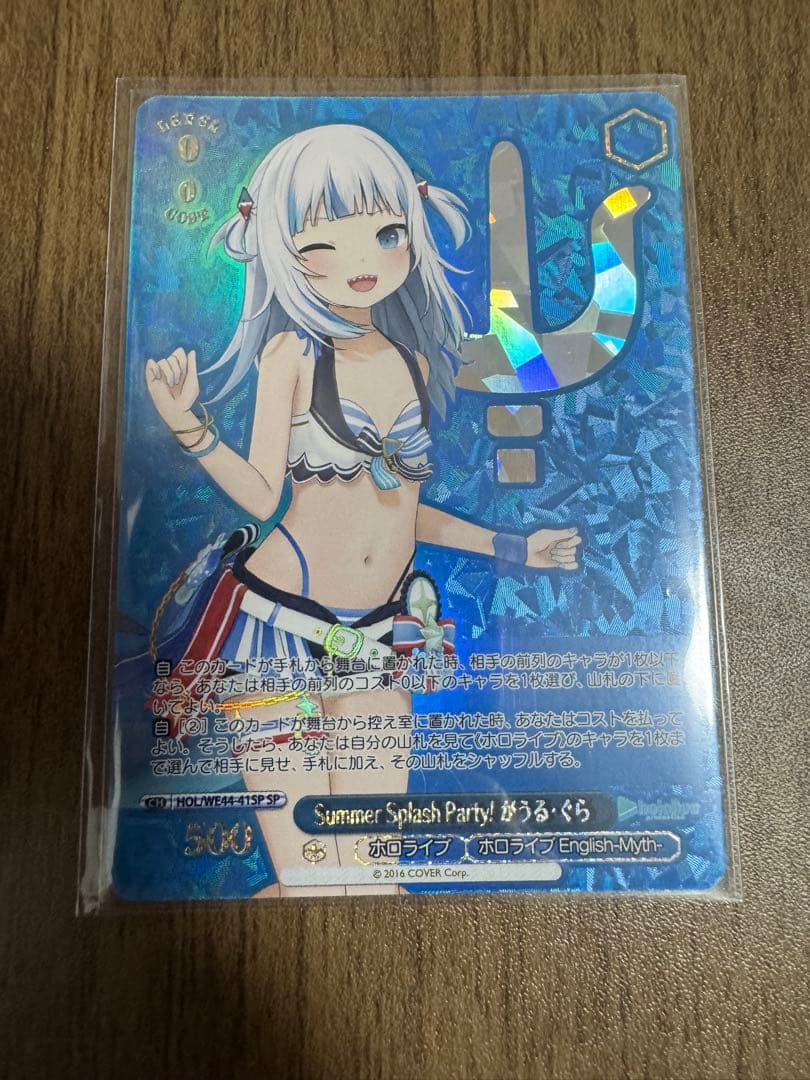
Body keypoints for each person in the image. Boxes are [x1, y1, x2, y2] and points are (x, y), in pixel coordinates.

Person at [145, 123, 581, 895]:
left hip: (379, 635)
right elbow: (264, 495)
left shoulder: (409, 361)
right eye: (322, 244)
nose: (364, 261)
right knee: (309, 880)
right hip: (277, 632)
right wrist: (191, 429)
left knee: (374, 877)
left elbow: (402, 512)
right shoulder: (290, 355)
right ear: (278, 247)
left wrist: (515, 547)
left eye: (386, 233)